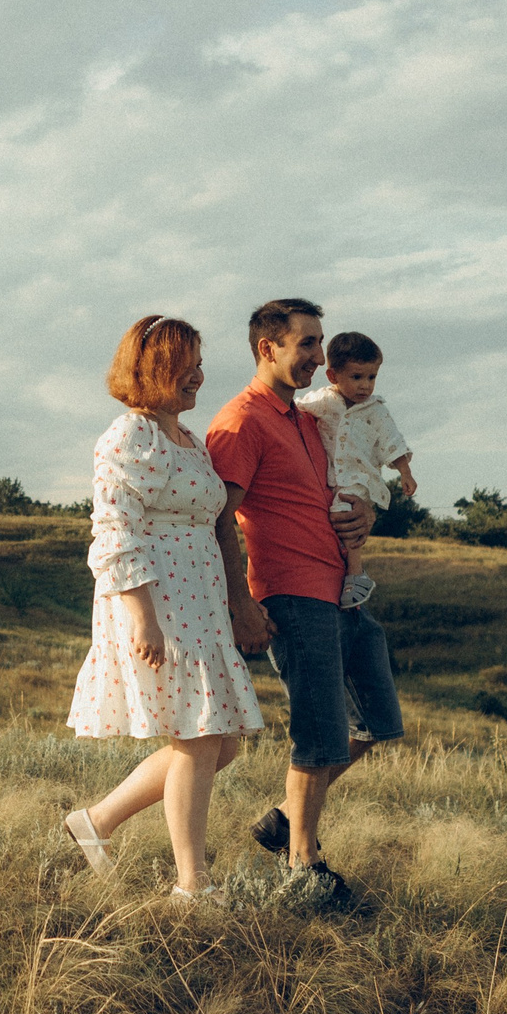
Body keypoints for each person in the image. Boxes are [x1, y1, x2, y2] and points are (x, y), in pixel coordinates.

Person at [204, 298, 403, 907]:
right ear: (269, 348)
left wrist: (366, 511)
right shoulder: (242, 422)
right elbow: (217, 520)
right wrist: (239, 603)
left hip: (339, 588)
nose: (321, 356)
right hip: (290, 591)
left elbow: (340, 489)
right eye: (308, 344)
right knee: (320, 732)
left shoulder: (308, 420)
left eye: (320, 343)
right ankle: (305, 867)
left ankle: (284, 820)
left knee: (377, 723)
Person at [62, 314, 266, 901]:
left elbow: (216, 523)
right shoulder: (127, 438)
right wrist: (141, 618)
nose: (198, 376)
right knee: (201, 740)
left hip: (199, 603)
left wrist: (234, 600)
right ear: (150, 370)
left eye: (200, 364)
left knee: (219, 742)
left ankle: (95, 822)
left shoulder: (188, 443)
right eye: (185, 366)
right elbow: (114, 531)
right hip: (158, 603)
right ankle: (192, 887)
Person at [294, 331, 417, 609]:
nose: (366, 386)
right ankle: (341, 568)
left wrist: (405, 472)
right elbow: (296, 408)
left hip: (359, 478)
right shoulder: (324, 400)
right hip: (329, 476)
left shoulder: (376, 410)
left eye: (371, 377)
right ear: (333, 376)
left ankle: (356, 572)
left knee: (345, 514)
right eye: (357, 377)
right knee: (330, 520)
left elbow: (392, 440)